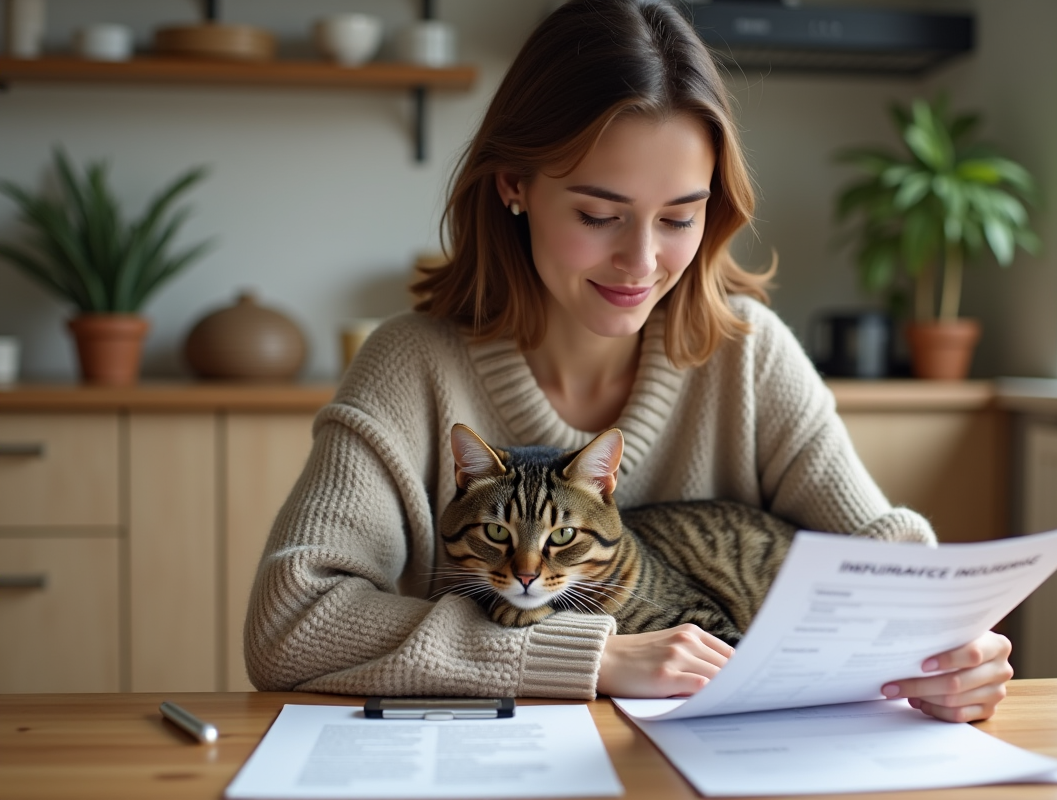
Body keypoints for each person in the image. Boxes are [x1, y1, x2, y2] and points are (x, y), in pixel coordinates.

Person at [244, 0, 1012, 723]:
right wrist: (584, 654)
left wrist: (944, 637)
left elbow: (874, 550)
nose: (641, 262)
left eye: (680, 216)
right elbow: (290, 624)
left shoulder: (748, 353)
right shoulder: (410, 365)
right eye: (599, 214)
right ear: (514, 184)